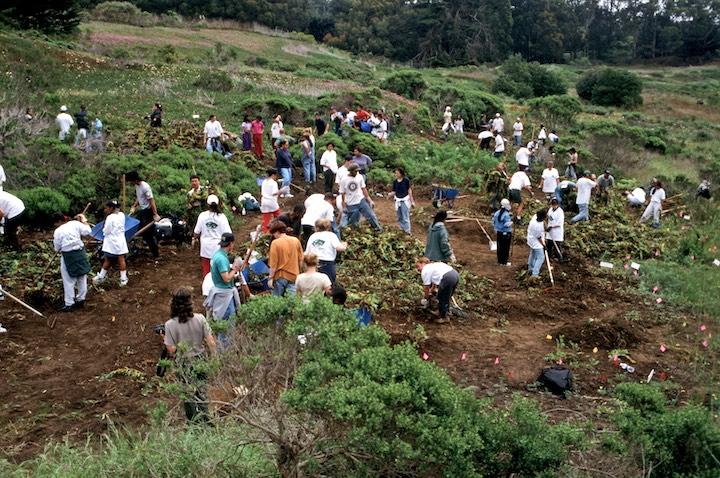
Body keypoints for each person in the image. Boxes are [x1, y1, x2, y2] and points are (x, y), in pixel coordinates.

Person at [163, 287, 217, 422]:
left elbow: (172, 350)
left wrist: (164, 339)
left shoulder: (169, 325)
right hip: (200, 359)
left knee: (187, 394)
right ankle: (205, 420)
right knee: (201, 392)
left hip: (184, 362)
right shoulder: (200, 318)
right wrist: (215, 360)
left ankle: (193, 422)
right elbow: (211, 342)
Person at [52, 212, 92, 312]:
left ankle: (69, 303)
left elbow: (57, 248)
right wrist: (84, 220)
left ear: (59, 221)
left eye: (55, 223)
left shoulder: (58, 231)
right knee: (82, 276)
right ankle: (81, 299)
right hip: (80, 252)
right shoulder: (75, 224)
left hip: (68, 255)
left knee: (68, 279)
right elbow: (88, 231)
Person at [204, 232, 241, 322]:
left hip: (221, 291)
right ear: (231, 244)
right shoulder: (221, 258)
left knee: (223, 322)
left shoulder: (218, 255)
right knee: (228, 323)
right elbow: (226, 278)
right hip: (224, 295)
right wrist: (235, 269)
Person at [193, 194, 231, 277]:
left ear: (207, 204)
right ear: (218, 204)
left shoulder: (202, 215)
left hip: (205, 247)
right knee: (218, 271)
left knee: (207, 272)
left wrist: (194, 238)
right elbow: (228, 234)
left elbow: (196, 231)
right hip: (218, 247)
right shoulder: (222, 217)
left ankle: (207, 287)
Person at [93, 200, 129, 287]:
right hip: (120, 240)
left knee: (108, 259)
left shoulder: (110, 218)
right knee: (121, 258)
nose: (105, 210)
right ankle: (123, 279)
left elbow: (107, 230)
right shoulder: (121, 215)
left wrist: (104, 232)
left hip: (111, 241)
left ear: (111, 208)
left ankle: (101, 277)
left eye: (106, 208)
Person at [417, 257, 459, 324]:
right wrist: (432, 290)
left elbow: (426, 287)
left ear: (423, 263)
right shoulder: (433, 266)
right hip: (455, 274)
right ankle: (443, 312)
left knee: (442, 297)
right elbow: (435, 283)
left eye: (418, 266)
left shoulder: (425, 270)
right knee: (446, 296)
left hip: (448, 277)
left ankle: (444, 317)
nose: (418, 269)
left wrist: (426, 297)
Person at [127, 171, 160, 258]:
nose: (130, 183)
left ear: (135, 180)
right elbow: (139, 197)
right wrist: (134, 206)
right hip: (142, 211)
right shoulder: (137, 185)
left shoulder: (145, 187)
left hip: (148, 211)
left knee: (147, 233)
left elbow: (151, 201)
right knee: (135, 227)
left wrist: (155, 214)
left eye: (131, 181)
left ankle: (156, 254)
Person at [340, 163, 382, 231]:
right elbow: (343, 193)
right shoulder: (344, 180)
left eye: (357, 171)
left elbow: (363, 188)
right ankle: (353, 232)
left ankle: (378, 229)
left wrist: (369, 200)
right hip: (351, 204)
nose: (356, 172)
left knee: (371, 216)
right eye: (355, 171)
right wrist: (344, 206)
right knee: (354, 222)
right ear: (350, 171)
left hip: (361, 200)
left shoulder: (359, 177)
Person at [268, 220, 304, 297]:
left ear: (277, 231)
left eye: (273, 233)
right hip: (294, 275)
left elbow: (273, 264)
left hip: (280, 276)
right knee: (292, 302)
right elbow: (301, 259)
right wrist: (301, 272)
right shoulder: (295, 240)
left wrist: (270, 278)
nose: (274, 235)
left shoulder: (275, 243)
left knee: (276, 302)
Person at [306, 218, 347, 284]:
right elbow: (339, 248)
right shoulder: (331, 235)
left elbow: (307, 251)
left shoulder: (313, 236)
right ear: (328, 227)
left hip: (313, 262)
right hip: (327, 262)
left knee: (315, 283)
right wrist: (344, 245)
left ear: (316, 227)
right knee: (328, 283)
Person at [389, 167, 414, 234]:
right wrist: (390, 194)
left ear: (401, 173)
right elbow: (394, 191)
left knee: (405, 216)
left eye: (397, 173)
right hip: (398, 200)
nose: (396, 174)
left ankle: (407, 231)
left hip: (404, 199)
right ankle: (402, 229)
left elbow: (409, 190)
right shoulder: (395, 181)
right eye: (395, 173)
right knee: (399, 216)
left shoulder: (406, 180)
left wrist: (412, 201)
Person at [526, 209, 547, 279]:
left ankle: (530, 268)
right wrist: (544, 245)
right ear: (542, 218)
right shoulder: (537, 226)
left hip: (530, 238)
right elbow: (539, 238)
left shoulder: (535, 216)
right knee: (541, 257)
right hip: (536, 242)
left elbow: (543, 222)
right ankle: (535, 274)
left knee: (533, 254)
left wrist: (546, 227)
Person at [492, 198, 513, 266]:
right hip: (506, 233)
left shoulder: (497, 213)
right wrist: (512, 222)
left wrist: (496, 228)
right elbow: (506, 225)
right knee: (505, 248)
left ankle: (500, 261)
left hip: (499, 233)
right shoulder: (506, 214)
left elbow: (493, 222)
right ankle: (504, 262)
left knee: (500, 247)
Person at [260, 168, 282, 233]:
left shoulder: (264, 181)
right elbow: (274, 193)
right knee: (278, 216)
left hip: (264, 201)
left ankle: (265, 233)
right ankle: (279, 228)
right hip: (271, 201)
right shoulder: (273, 183)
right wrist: (280, 191)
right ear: (273, 175)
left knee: (266, 219)